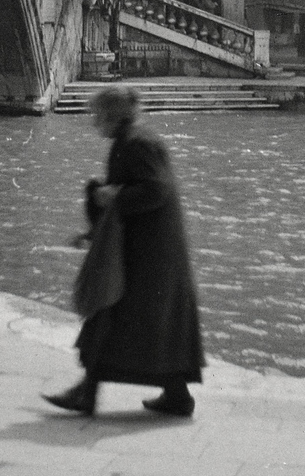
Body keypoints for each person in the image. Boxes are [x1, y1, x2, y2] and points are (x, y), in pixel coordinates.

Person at [44, 86, 204, 419]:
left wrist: (109, 197)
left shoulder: (137, 144)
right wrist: (94, 229)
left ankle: (87, 393)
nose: (93, 122)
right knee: (146, 328)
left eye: (97, 115)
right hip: (148, 254)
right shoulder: (134, 141)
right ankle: (175, 395)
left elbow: (155, 190)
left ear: (112, 115)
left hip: (146, 258)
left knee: (111, 319)